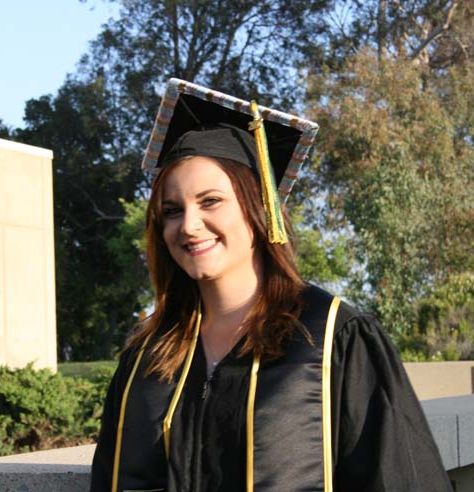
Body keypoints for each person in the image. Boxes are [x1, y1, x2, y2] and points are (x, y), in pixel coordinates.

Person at [90, 79, 452, 492]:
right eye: (172, 210)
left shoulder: (332, 337)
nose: (188, 226)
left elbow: (399, 479)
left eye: (210, 202)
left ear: (260, 208)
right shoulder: (145, 356)